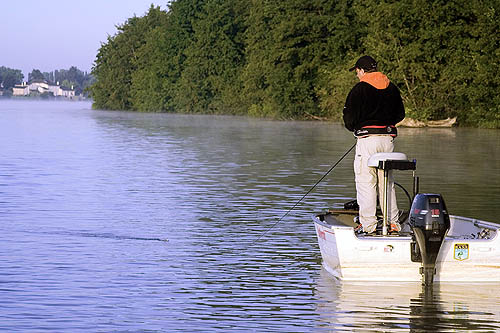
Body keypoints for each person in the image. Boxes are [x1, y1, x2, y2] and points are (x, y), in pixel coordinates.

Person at [343, 55, 405, 234]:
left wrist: (358, 127)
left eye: (357, 72)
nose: (357, 75)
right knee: (386, 182)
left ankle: (368, 226)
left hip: (367, 141)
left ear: (361, 70)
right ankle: (392, 223)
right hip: (388, 141)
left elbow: (349, 119)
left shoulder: (359, 89)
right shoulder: (391, 87)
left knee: (366, 181)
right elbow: (400, 114)